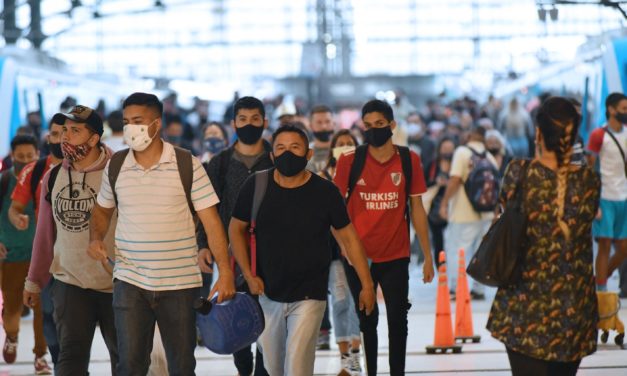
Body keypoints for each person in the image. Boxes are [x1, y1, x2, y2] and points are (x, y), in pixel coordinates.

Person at [87, 92, 235, 376]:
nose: (130, 127)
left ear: (156, 123)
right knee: (129, 365)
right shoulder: (116, 166)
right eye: (127, 121)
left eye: (138, 121)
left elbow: (212, 221)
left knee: (181, 366)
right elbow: (102, 210)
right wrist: (95, 237)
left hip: (179, 284)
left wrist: (225, 271)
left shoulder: (185, 164)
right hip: (129, 281)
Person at [229, 125, 375, 376]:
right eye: (281, 148)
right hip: (267, 292)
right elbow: (235, 230)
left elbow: (349, 239)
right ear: (272, 155)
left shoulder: (325, 191)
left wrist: (367, 284)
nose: (287, 154)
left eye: (295, 147)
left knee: (297, 367)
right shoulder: (257, 185)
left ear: (308, 154)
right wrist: (248, 276)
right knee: (274, 367)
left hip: (310, 294)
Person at [487, 96, 600, 376]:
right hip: (575, 311)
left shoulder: (518, 172)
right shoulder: (589, 181)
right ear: (574, 135)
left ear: (538, 133)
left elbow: (506, 212)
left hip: (525, 310)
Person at [333, 100, 435, 376]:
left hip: (396, 254)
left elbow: (417, 209)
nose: (374, 130)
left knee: (398, 321)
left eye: (380, 124)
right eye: (368, 126)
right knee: (367, 320)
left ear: (392, 125)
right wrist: (345, 247)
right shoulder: (349, 161)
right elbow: (333, 211)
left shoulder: (408, 160)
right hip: (358, 257)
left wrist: (427, 256)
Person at [23, 105, 119, 375]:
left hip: (118, 284)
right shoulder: (53, 177)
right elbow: (44, 235)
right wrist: (34, 280)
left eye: (75, 131)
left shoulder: (118, 173)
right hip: (70, 282)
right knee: (70, 362)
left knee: (126, 361)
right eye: (64, 130)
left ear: (94, 138)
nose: (65, 137)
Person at [198, 96, 272, 376]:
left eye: (255, 119)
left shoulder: (276, 158)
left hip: (271, 250)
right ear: (233, 124)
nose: (249, 124)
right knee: (238, 312)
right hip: (232, 252)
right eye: (243, 119)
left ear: (264, 122)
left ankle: (264, 370)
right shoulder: (221, 163)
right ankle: (244, 370)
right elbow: (208, 209)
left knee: (268, 314)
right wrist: (204, 245)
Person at [7, 116, 64, 368]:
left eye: (67, 133)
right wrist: (16, 217)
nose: (61, 139)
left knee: (62, 314)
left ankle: (56, 360)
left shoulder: (100, 165)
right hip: (38, 256)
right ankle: (55, 359)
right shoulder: (35, 171)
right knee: (42, 313)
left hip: (85, 259)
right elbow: (14, 207)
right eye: (55, 133)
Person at [0, 135, 51, 374]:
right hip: (10, 255)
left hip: (41, 257)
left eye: (30, 156)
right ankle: (11, 336)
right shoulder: (3, 181)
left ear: (38, 155)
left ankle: (41, 355)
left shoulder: (46, 180)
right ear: (11, 157)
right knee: (12, 309)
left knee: (43, 310)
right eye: (20, 157)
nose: (25, 161)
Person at [320, 129, 363, 374]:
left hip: (359, 248)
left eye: (350, 143)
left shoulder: (362, 176)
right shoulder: (323, 178)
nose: (345, 146)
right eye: (341, 143)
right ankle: (345, 354)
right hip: (334, 251)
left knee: (357, 301)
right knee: (340, 301)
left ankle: (355, 354)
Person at [439, 125, 498, 300]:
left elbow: (455, 179)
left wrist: (444, 203)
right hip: (486, 213)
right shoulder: (489, 157)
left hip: (463, 213)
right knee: (481, 251)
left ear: (471, 135)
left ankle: (457, 288)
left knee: (458, 249)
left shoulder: (462, 152)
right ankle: (479, 289)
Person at [587, 92, 627, 292]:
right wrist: (593, 202)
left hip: (623, 197)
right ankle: (601, 290)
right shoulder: (598, 135)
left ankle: (599, 277)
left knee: (623, 248)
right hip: (604, 198)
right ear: (611, 109)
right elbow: (590, 169)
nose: (626, 113)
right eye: (624, 109)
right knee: (604, 245)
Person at [423, 137, 456, 267]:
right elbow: (422, 183)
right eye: (445, 148)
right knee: (438, 240)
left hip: (453, 207)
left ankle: (452, 266)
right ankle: (441, 267)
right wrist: (435, 182)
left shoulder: (457, 164)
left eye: (450, 149)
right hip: (434, 208)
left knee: (452, 240)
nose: (447, 151)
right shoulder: (432, 165)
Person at [307, 105, 335, 173]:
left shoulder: (343, 149)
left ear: (334, 124)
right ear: (311, 126)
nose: (324, 126)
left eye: (327, 121)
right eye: (319, 122)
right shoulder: (305, 153)